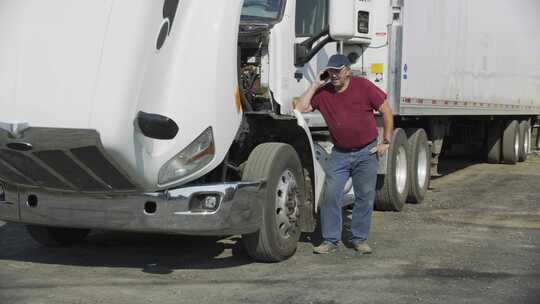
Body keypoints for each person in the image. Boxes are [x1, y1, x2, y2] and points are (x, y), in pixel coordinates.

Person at [295, 54, 394, 254]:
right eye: (331, 71)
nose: (334, 75)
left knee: (364, 197)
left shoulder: (363, 86)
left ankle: (359, 239)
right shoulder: (323, 93)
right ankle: (331, 241)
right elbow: (299, 108)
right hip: (339, 153)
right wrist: (315, 85)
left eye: (338, 71)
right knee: (330, 196)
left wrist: (386, 141)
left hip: (366, 152)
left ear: (347, 71)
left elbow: (386, 111)